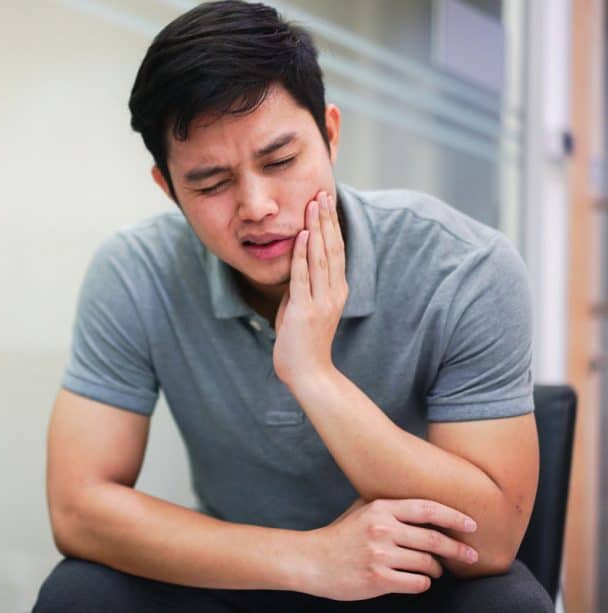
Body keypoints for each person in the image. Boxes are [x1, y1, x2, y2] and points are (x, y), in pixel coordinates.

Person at [33, 1, 553, 611]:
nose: (255, 205)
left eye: (280, 161)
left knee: (508, 603)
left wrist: (313, 374)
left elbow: (490, 538)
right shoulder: (134, 272)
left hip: (410, 578)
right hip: (243, 574)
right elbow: (78, 509)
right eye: (210, 183)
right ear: (167, 188)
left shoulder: (465, 267)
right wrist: (309, 560)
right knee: (79, 592)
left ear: (330, 135)